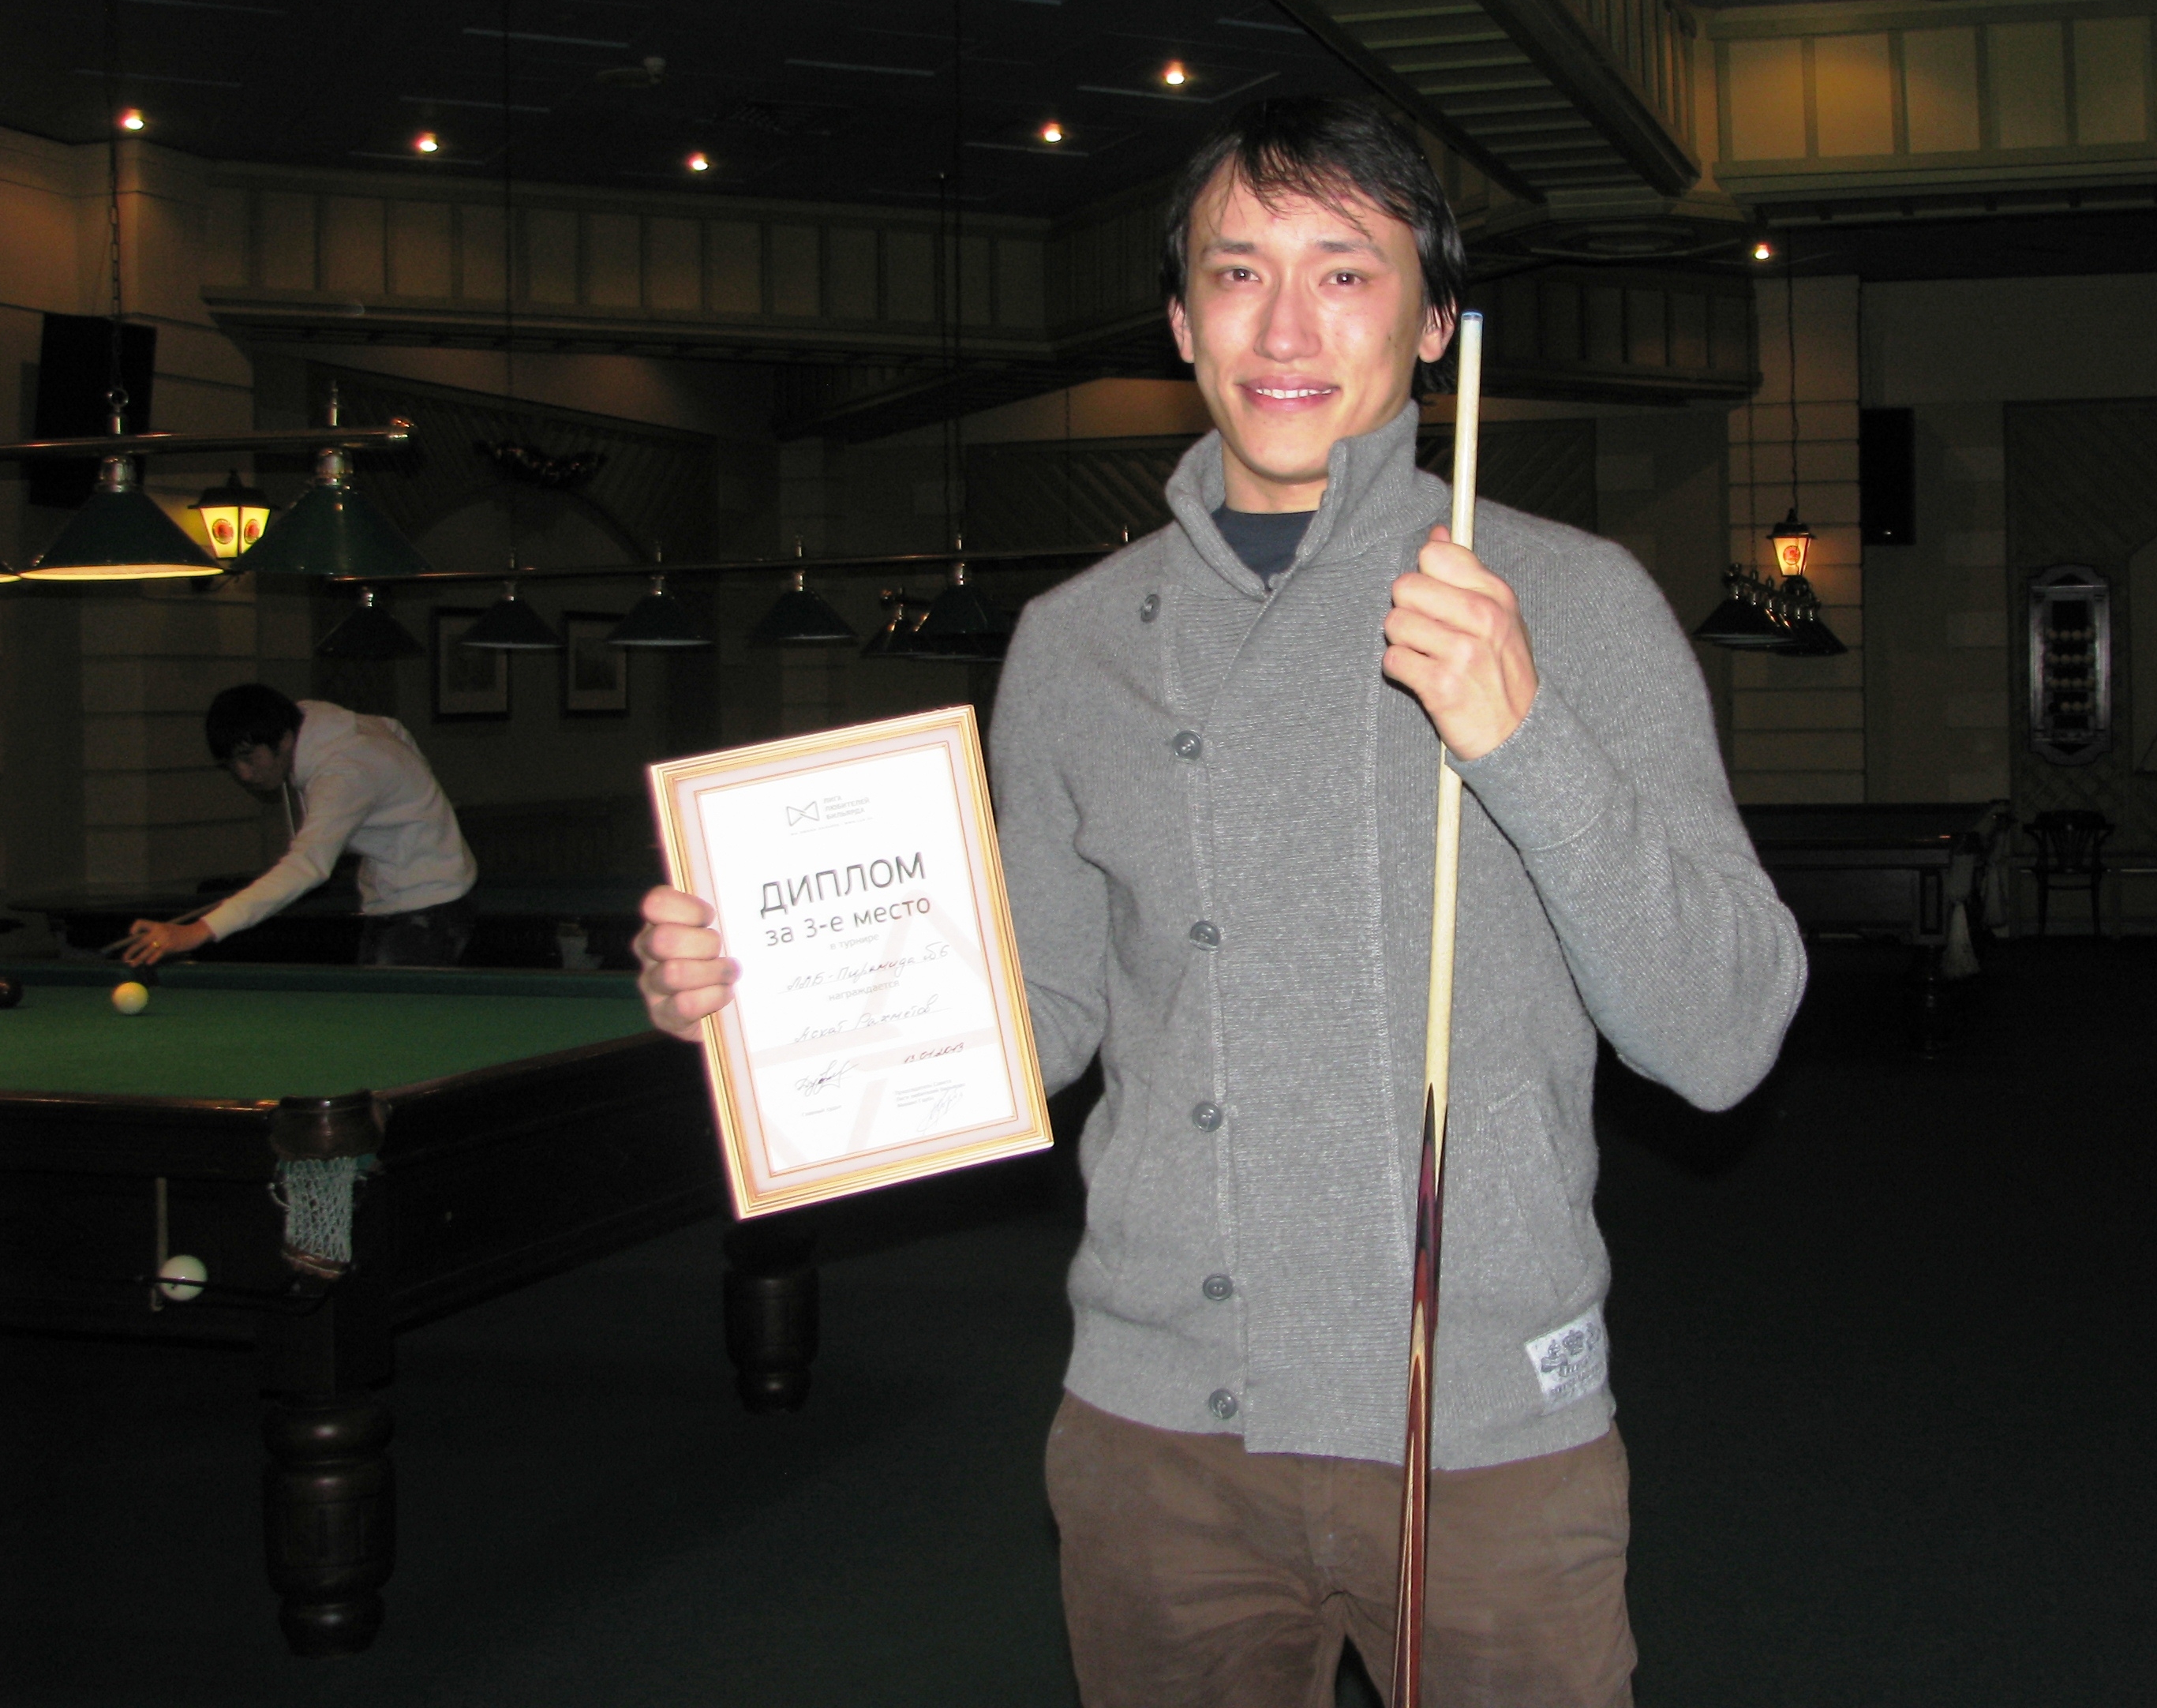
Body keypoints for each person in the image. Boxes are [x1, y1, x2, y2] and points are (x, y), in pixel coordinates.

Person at [635, 96, 1806, 1705]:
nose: (1285, 326)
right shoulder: (1072, 640)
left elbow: (1725, 1036)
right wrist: (760, 997)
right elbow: (1041, 1017)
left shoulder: (1569, 602)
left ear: (1435, 321)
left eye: (1345, 271)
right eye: (1237, 271)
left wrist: (1521, 736)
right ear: (1181, 322)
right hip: (1159, 1433)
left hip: (1476, 1426)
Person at [122, 684, 478, 968]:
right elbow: (394, 728)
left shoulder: (343, 773)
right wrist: (402, 812)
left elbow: (307, 866)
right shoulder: (314, 722)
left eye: (248, 757)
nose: (243, 774)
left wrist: (199, 931)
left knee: (388, 1020)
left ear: (284, 741)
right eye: (231, 763)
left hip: (431, 904)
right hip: (399, 898)